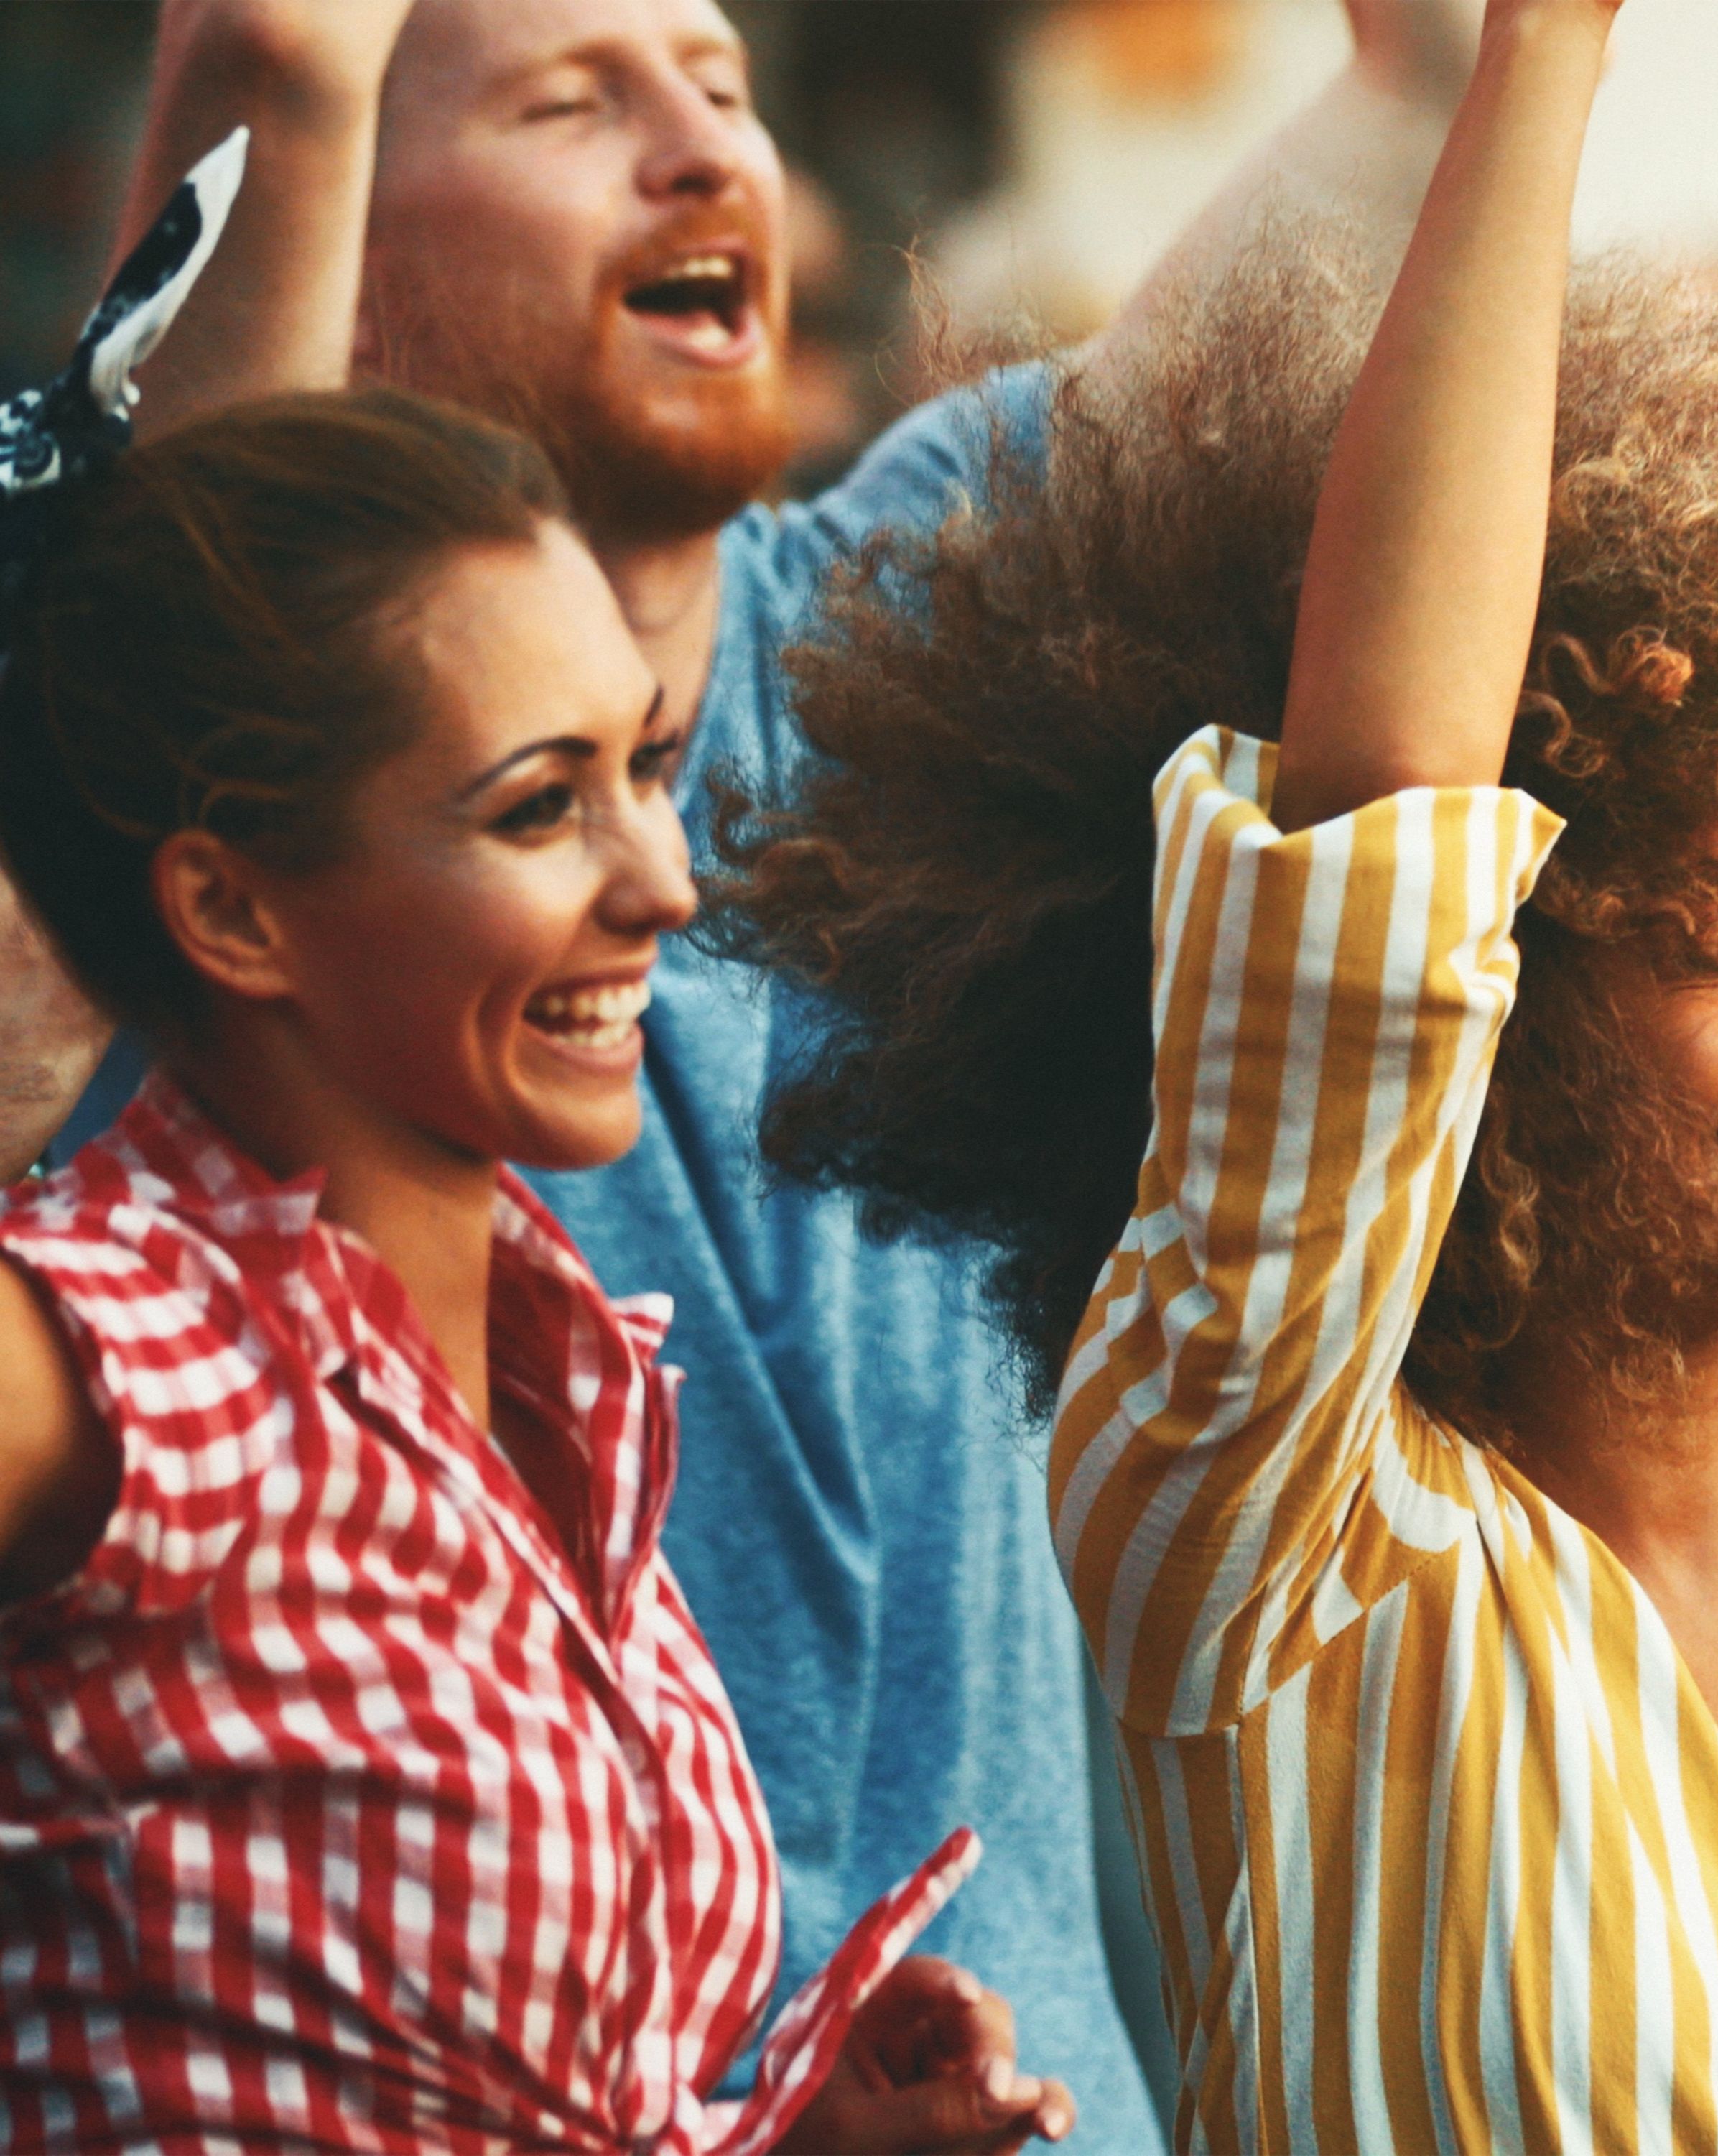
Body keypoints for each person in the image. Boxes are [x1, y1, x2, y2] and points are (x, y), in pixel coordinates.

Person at [720, 1, 1718, 2147]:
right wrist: (1538, 56)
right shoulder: (1278, 1528)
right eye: (1713, 933)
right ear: (1487, 999)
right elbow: (1379, 840)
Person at [26, 2, 1490, 2126]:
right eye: (569, 100)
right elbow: (184, 590)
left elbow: (1406, 152)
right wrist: (291, 82)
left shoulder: (901, 654)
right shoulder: (185, 1192)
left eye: (724, 85)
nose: (705, 152)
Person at [0, 147, 1069, 2155]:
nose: (667, 882)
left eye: (646, 765)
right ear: (230, 909)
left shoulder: (566, 1378)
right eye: (536, 806)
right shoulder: (129, 1349)